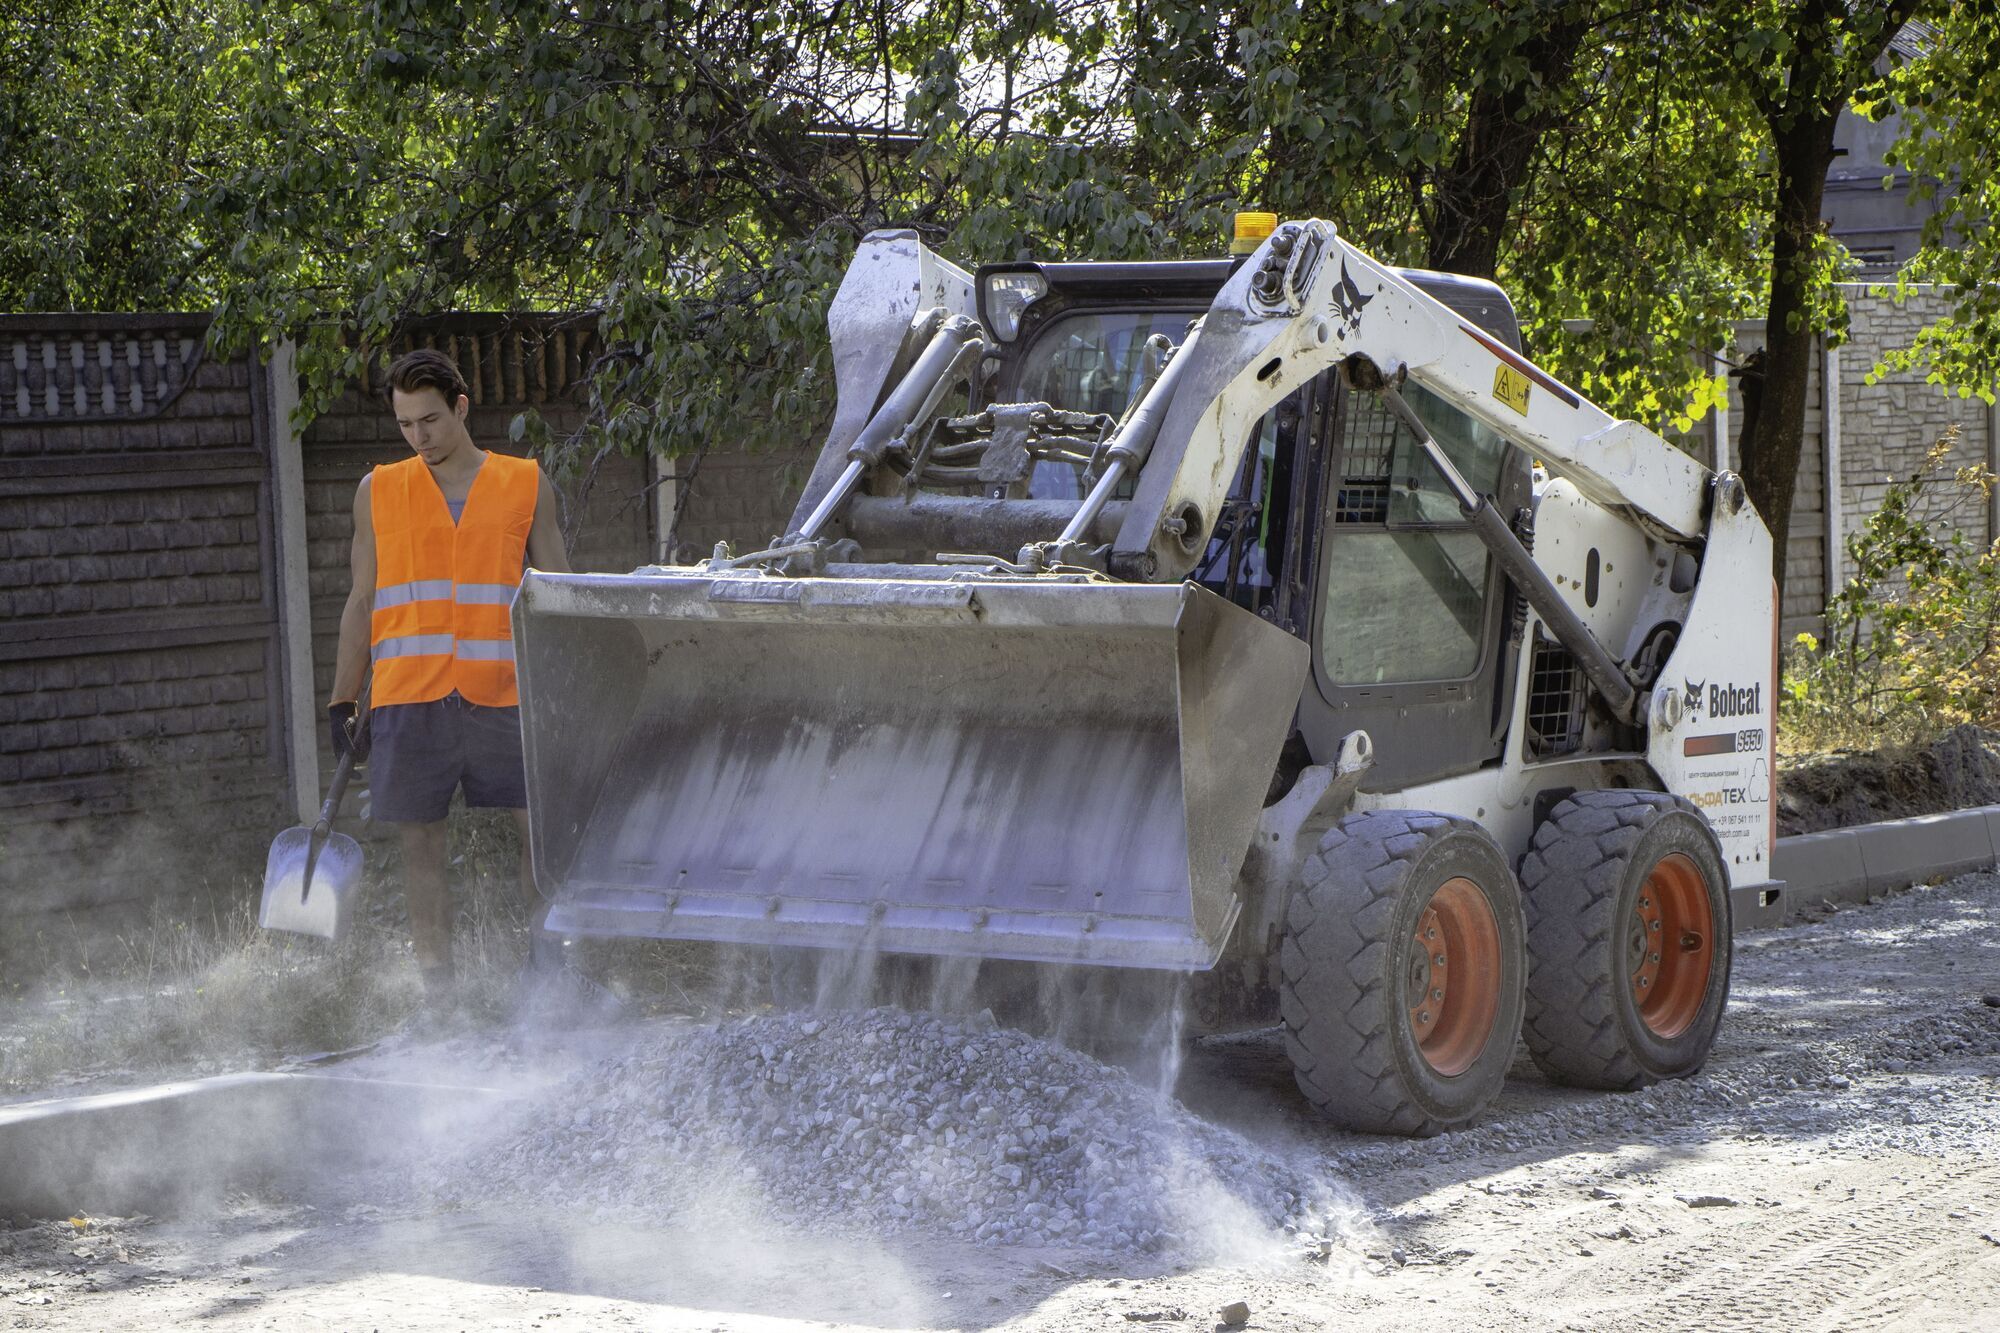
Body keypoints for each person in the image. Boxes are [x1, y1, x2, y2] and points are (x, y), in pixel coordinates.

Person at [326, 349, 571, 996]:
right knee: (420, 850)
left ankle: (550, 974)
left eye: (430, 419)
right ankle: (439, 994)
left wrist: (568, 692)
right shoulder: (376, 491)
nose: (419, 436)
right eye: (406, 423)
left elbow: (560, 596)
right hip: (411, 698)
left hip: (508, 693)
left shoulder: (525, 483)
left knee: (540, 838)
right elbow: (362, 601)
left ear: (461, 407)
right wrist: (341, 699)